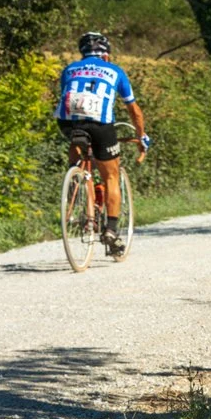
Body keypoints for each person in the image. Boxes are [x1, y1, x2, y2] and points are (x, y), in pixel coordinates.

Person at [54, 32, 150, 255]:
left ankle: (76, 182)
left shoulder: (69, 69)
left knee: (79, 157)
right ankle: (111, 230)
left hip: (68, 123)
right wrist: (141, 136)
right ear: (106, 56)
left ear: (83, 54)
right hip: (101, 125)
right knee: (111, 176)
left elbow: (67, 97)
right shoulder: (115, 71)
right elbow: (134, 110)